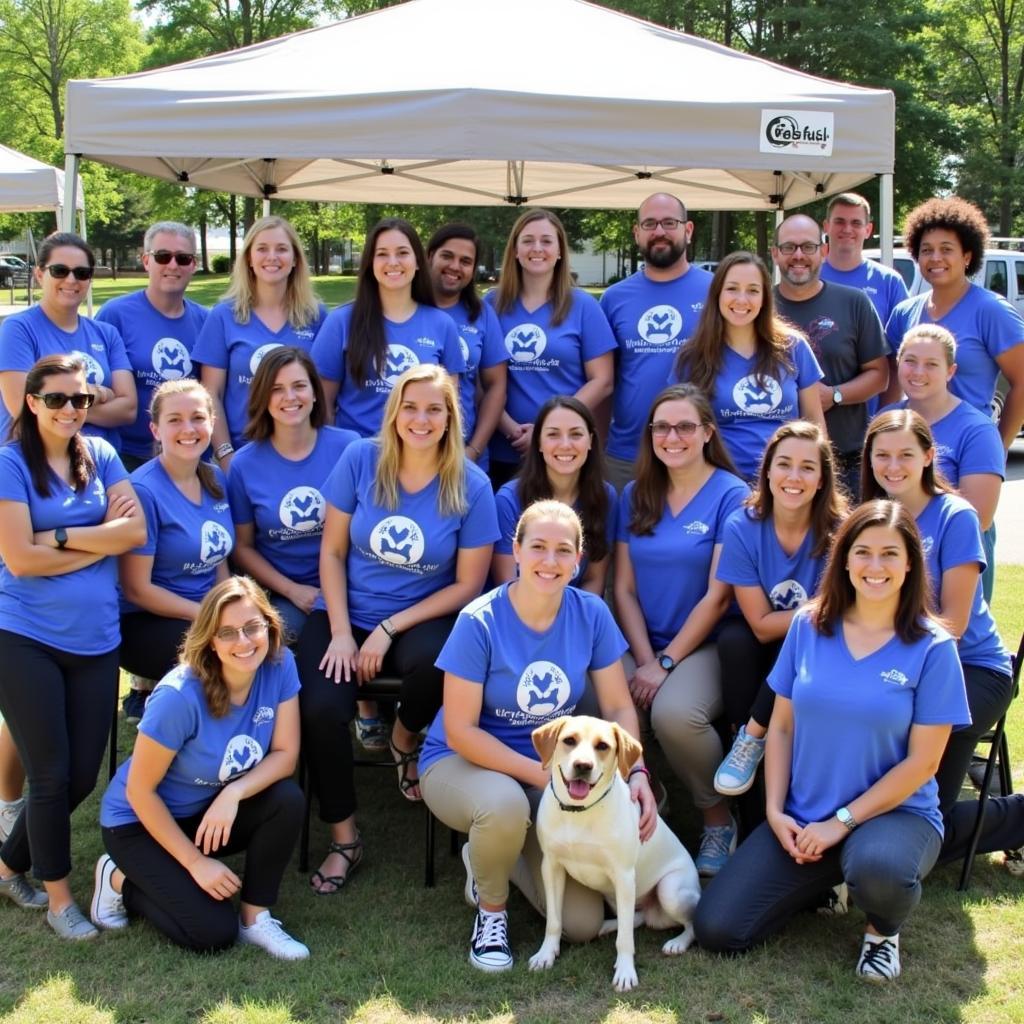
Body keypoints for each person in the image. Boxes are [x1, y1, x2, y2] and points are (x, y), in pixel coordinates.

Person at [693, 500, 971, 982]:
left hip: (894, 817)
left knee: (879, 868)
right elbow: (780, 727)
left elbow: (923, 764)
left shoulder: (933, 647)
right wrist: (776, 812)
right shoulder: (808, 624)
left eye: (890, 554)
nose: (875, 566)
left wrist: (841, 823)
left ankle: (882, 930)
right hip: (805, 818)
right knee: (718, 928)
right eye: (863, 552)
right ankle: (825, 880)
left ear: (911, 563)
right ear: (844, 559)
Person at [419, 499, 656, 972]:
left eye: (563, 550)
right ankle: (491, 911)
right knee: (505, 806)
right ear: (517, 552)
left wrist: (637, 773)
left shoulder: (590, 613)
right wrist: (546, 775)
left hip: (550, 767)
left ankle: (489, 856)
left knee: (583, 926)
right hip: (463, 761)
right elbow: (461, 730)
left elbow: (616, 706)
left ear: (578, 559)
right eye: (539, 547)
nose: (550, 561)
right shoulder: (478, 621)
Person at [296, 364, 498, 895]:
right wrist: (342, 630)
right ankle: (345, 836)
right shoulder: (361, 459)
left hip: (422, 616)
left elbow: (468, 585)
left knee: (442, 662)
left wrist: (388, 627)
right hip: (344, 612)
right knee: (319, 707)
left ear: (451, 417)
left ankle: (405, 737)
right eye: (410, 407)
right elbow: (333, 551)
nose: (421, 418)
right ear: (394, 412)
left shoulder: (471, 483)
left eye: (435, 408)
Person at [0, 354, 145, 940]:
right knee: (52, 774)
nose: (69, 410)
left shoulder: (103, 456)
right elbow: (19, 559)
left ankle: (7, 866)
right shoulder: (10, 465)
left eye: (80, 400)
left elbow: (133, 533)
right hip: (24, 636)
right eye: (56, 399)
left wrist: (58, 535)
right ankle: (59, 898)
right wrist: (98, 541)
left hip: (97, 641)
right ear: (32, 402)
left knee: (82, 775)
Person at [94, 576, 308, 959]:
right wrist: (195, 863)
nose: (243, 642)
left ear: (269, 626)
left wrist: (234, 792)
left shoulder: (280, 664)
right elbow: (139, 792)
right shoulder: (179, 696)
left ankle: (255, 918)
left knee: (286, 799)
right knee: (211, 932)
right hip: (137, 822)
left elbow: (285, 755)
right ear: (210, 639)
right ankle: (118, 879)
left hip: (206, 809)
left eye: (252, 627)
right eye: (227, 632)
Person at [614, 383, 748, 877]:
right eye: (662, 427)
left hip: (704, 644)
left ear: (707, 433)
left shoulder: (731, 495)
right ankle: (646, 792)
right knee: (598, 699)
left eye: (685, 426)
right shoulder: (636, 494)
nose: (673, 436)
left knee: (674, 714)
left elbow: (719, 596)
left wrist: (665, 663)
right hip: (642, 640)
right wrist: (645, 658)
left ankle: (717, 816)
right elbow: (623, 589)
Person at [861, 410, 1013, 834]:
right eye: (882, 455)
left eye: (905, 454)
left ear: (929, 456)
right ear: (869, 459)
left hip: (970, 671)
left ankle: (1017, 816)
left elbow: (954, 624)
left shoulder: (955, 515)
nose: (893, 466)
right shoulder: (867, 518)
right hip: (900, 666)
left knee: (927, 823)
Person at [713, 421, 847, 813]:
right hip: (764, 637)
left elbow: (839, 618)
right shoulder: (742, 525)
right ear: (767, 471)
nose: (794, 476)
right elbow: (758, 622)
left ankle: (755, 739)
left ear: (822, 479)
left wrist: (822, 614)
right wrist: (822, 609)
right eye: (784, 464)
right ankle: (746, 746)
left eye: (808, 467)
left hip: (820, 645)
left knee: (795, 646)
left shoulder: (843, 529)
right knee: (735, 641)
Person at [118, 380, 235, 725]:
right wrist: (207, 616)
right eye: (175, 420)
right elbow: (136, 589)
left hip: (204, 611)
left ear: (212, 424)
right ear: (155, 429)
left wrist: (227, 605)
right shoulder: (143, 491)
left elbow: (218, 557)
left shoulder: (214, 478)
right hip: (147, 623)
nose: (189, 429)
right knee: (223, 658)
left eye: (198, 418)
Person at [227, 346, 358, 644]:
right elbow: (243, 547)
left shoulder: (350, 448)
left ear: (315, 393)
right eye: (277, 389)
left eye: (299, 386)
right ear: (262, 397)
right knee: (289, 637)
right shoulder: (244, 466)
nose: (290, 397)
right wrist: (291, 590)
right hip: (286, 591)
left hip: (351, 586)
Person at [485, 209, 616, 486]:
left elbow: (602, 381)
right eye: (528, 241)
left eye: (546, 241)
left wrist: (549, 430)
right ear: (515, 251)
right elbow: (481, 380)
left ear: (559, 252)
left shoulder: (583, 306)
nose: (537, 248)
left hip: (564, 451)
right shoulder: (491, 304)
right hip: (503, 449)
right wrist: (512, 431)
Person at [672, 251, 826, 482]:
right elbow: (679, 427)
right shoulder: (692, 356)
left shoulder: (794, 347)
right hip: (718, 482)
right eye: (732, 288)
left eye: (753, 290)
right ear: (717, 294)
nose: (742, 300)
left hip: (787, 481)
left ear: (765, 297)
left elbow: (815, 422)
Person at [886, 196, 1024, 449]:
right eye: (926, 250)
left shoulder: (991, 311)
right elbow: (891, 379)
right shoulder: (904, 313)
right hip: (910, 455)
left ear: (967, 256)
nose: (935, 258)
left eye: (946, 249)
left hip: (967, 452)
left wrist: (997, 446)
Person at [600, 193, 713, 491]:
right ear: (637, 233)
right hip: (627, 456)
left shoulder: (716, 291)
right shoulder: (614, 298)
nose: (659, 231)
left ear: (688, 230)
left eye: (669, 222)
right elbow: (605, 381)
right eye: (649, 223)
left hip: (698, 454)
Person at [884, 324, 1004, 602]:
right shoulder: (887, 418)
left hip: (953, 563)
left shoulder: (977, 430)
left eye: (931, 364)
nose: (918, 372)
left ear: (951, 372)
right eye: (910, 361)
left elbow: (979, 519)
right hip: (893, 562)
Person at [312, 217, 464, 438]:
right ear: (370, 263)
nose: (393, 262)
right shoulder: (341, 321)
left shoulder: (442, 325)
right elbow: (323, 402)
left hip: (419, 457)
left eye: (402, 253)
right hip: (359, 457)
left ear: (418, 261)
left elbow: (449, 406)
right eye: (382, 254)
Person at [194, 215, 326, 466]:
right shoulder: (223, 315)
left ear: (296, 259)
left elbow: (324, 392)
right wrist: (225, 455)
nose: (272, 257)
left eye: (282, 249)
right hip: (241, 452)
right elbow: (211, 395)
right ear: (249, 259)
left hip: (300, 454)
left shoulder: (316, 316)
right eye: (262, 249)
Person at [772, 214, 889, 496]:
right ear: (775, 254)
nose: (798, 256)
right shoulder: (759, 307)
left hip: (846, 463)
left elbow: (880, 375)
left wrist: (835, 395)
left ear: (823, 251)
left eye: (808, 247)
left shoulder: (854, 302)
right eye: (788, 247)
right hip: (777, 467)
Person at [0, 232, 136, 449]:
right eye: (60, 270)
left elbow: (128, 410)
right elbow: (24, 409)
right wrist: (99, 393)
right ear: (39, 274)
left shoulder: (107, 333)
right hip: (38, 464)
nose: (71, 280)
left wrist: (57, 404)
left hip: (103, 464)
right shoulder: (18, 329)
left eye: (82, 273)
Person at [95, 221, 209, 470]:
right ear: (146, 261)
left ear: (194, 265)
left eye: (183, 258)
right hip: (126, 456)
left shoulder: (206, 321)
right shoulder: (115, 315)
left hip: (188, 455)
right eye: (162, 256)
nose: (172, 265)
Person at [492, 396, 616, 596]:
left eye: (576, 434)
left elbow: (594, 579)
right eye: (553, 435)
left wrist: (576, 621)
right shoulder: (508, 499)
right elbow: (507, 586)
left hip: (576, 615)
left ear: (591, 441)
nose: (565, 445)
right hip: (520, 615)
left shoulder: (605, 496)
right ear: (539, 442)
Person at [426, 224, 508, 469]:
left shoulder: (481, 314)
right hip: (410, 448)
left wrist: (473, 450)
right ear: (430, 256)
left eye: (465, 261)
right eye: (447, 256)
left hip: (462, 454)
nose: (454, 266)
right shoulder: (406, 307)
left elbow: (496, 386)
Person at [819, 192, 909, 413]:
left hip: (869, 416)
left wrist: (885, 416)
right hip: (812, 412)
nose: (847, 229)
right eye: (839, 221)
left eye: (856, 223)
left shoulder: (889, 282)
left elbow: (899, 357)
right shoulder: (809, 277)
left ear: (868, 229)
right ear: (826, 226)